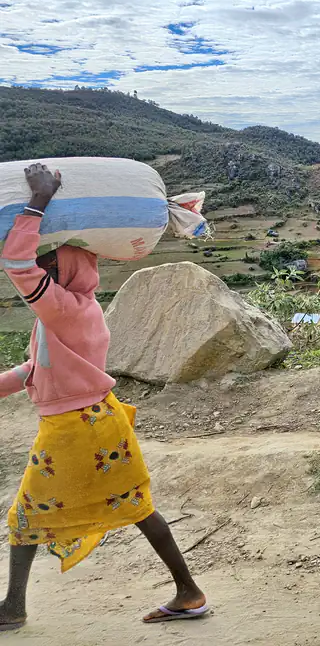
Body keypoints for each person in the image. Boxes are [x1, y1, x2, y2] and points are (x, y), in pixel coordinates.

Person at [0, 164, 207, 631]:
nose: (42, 266)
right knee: (135, 506)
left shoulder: (65, 310)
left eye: (49, 262)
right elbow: (36, 370)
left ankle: (12, 608)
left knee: (27, 516)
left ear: (65, 271)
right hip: (93, 422)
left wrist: (39, 200)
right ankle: (188, 592)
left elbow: (16, 262)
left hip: (76, 427)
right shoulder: (69, 312)